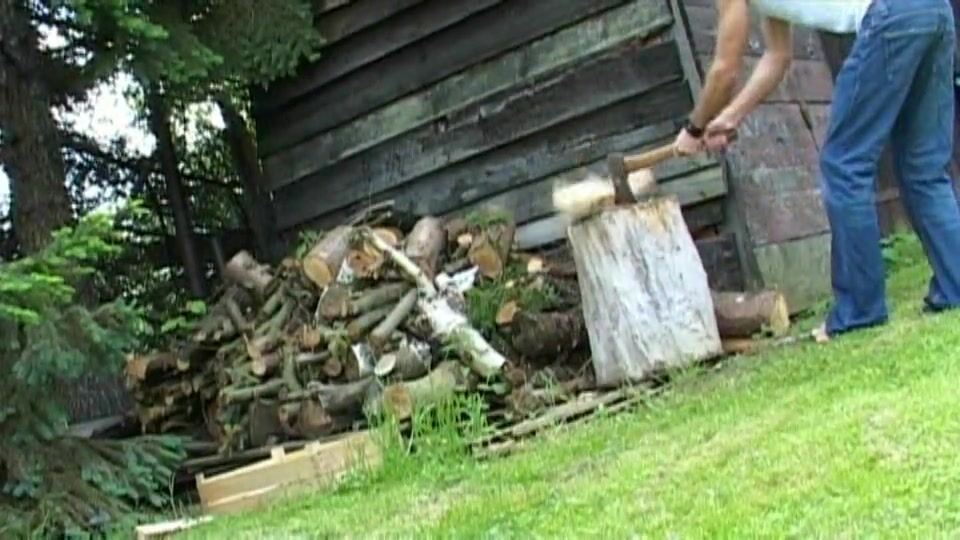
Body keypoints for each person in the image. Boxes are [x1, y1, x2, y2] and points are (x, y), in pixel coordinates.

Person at [674, 0, 960, 341]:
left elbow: (725, 70)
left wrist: (693, 127)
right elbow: (777, 57)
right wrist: (731, 116)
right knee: (923, 168)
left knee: (844, 166)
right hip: (934, 10)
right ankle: (956, 285)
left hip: (890, 15)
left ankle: (859, 311)